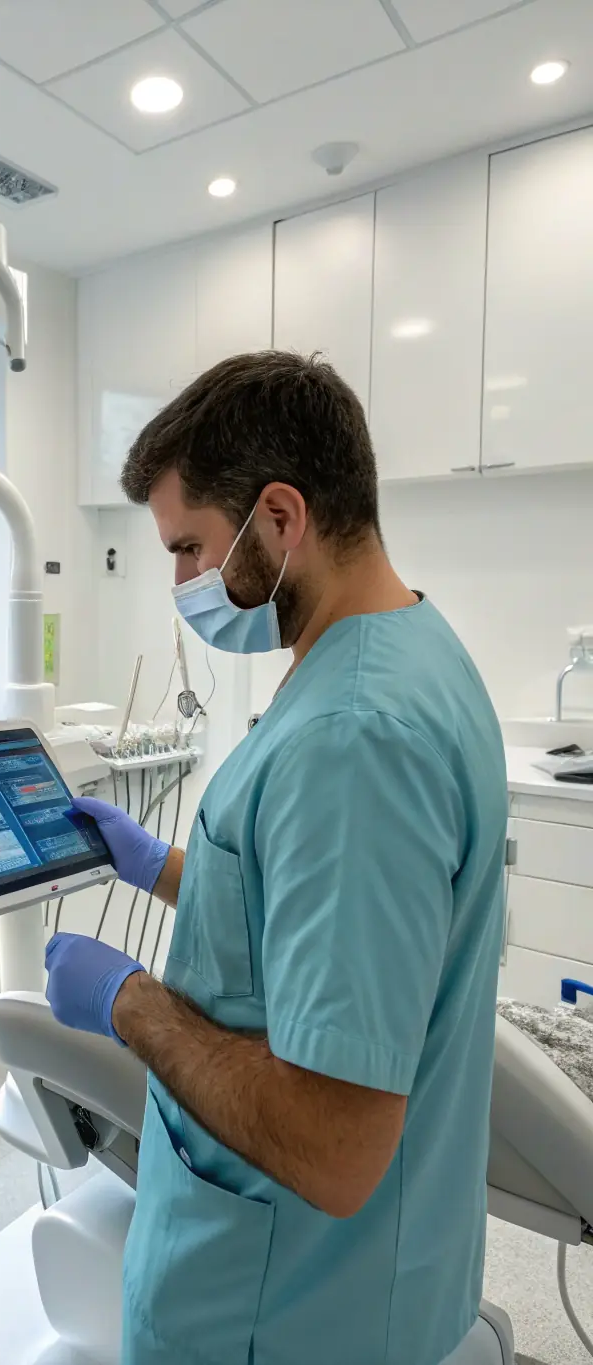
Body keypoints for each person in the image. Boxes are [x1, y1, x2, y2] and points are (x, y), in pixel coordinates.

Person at [44, 352, 508, 1365]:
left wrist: (127, 999)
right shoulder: (406, 647)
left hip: (288, 1304)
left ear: (281, 519)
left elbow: (336, 1147)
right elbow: (306, 908)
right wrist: (161, 864)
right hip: (370, 1274)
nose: (179, 584)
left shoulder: (352, 735)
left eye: (189, 548)